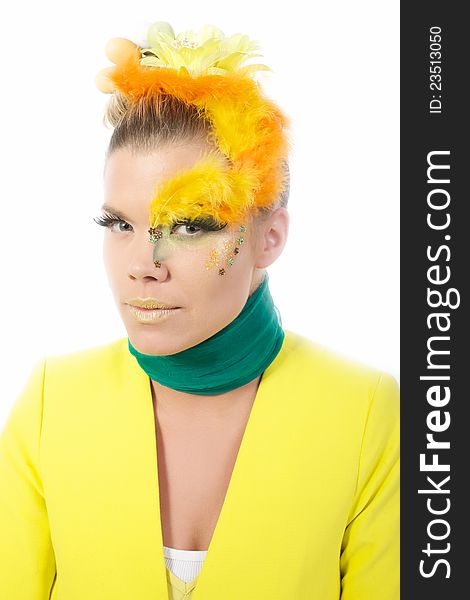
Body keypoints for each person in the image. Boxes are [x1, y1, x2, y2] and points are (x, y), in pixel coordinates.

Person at [0, 21, 399, 600]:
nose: (144, 264)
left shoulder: (367, 413)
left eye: (190, 225)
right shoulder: (48, 402)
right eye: (119, 224)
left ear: (269, 237)